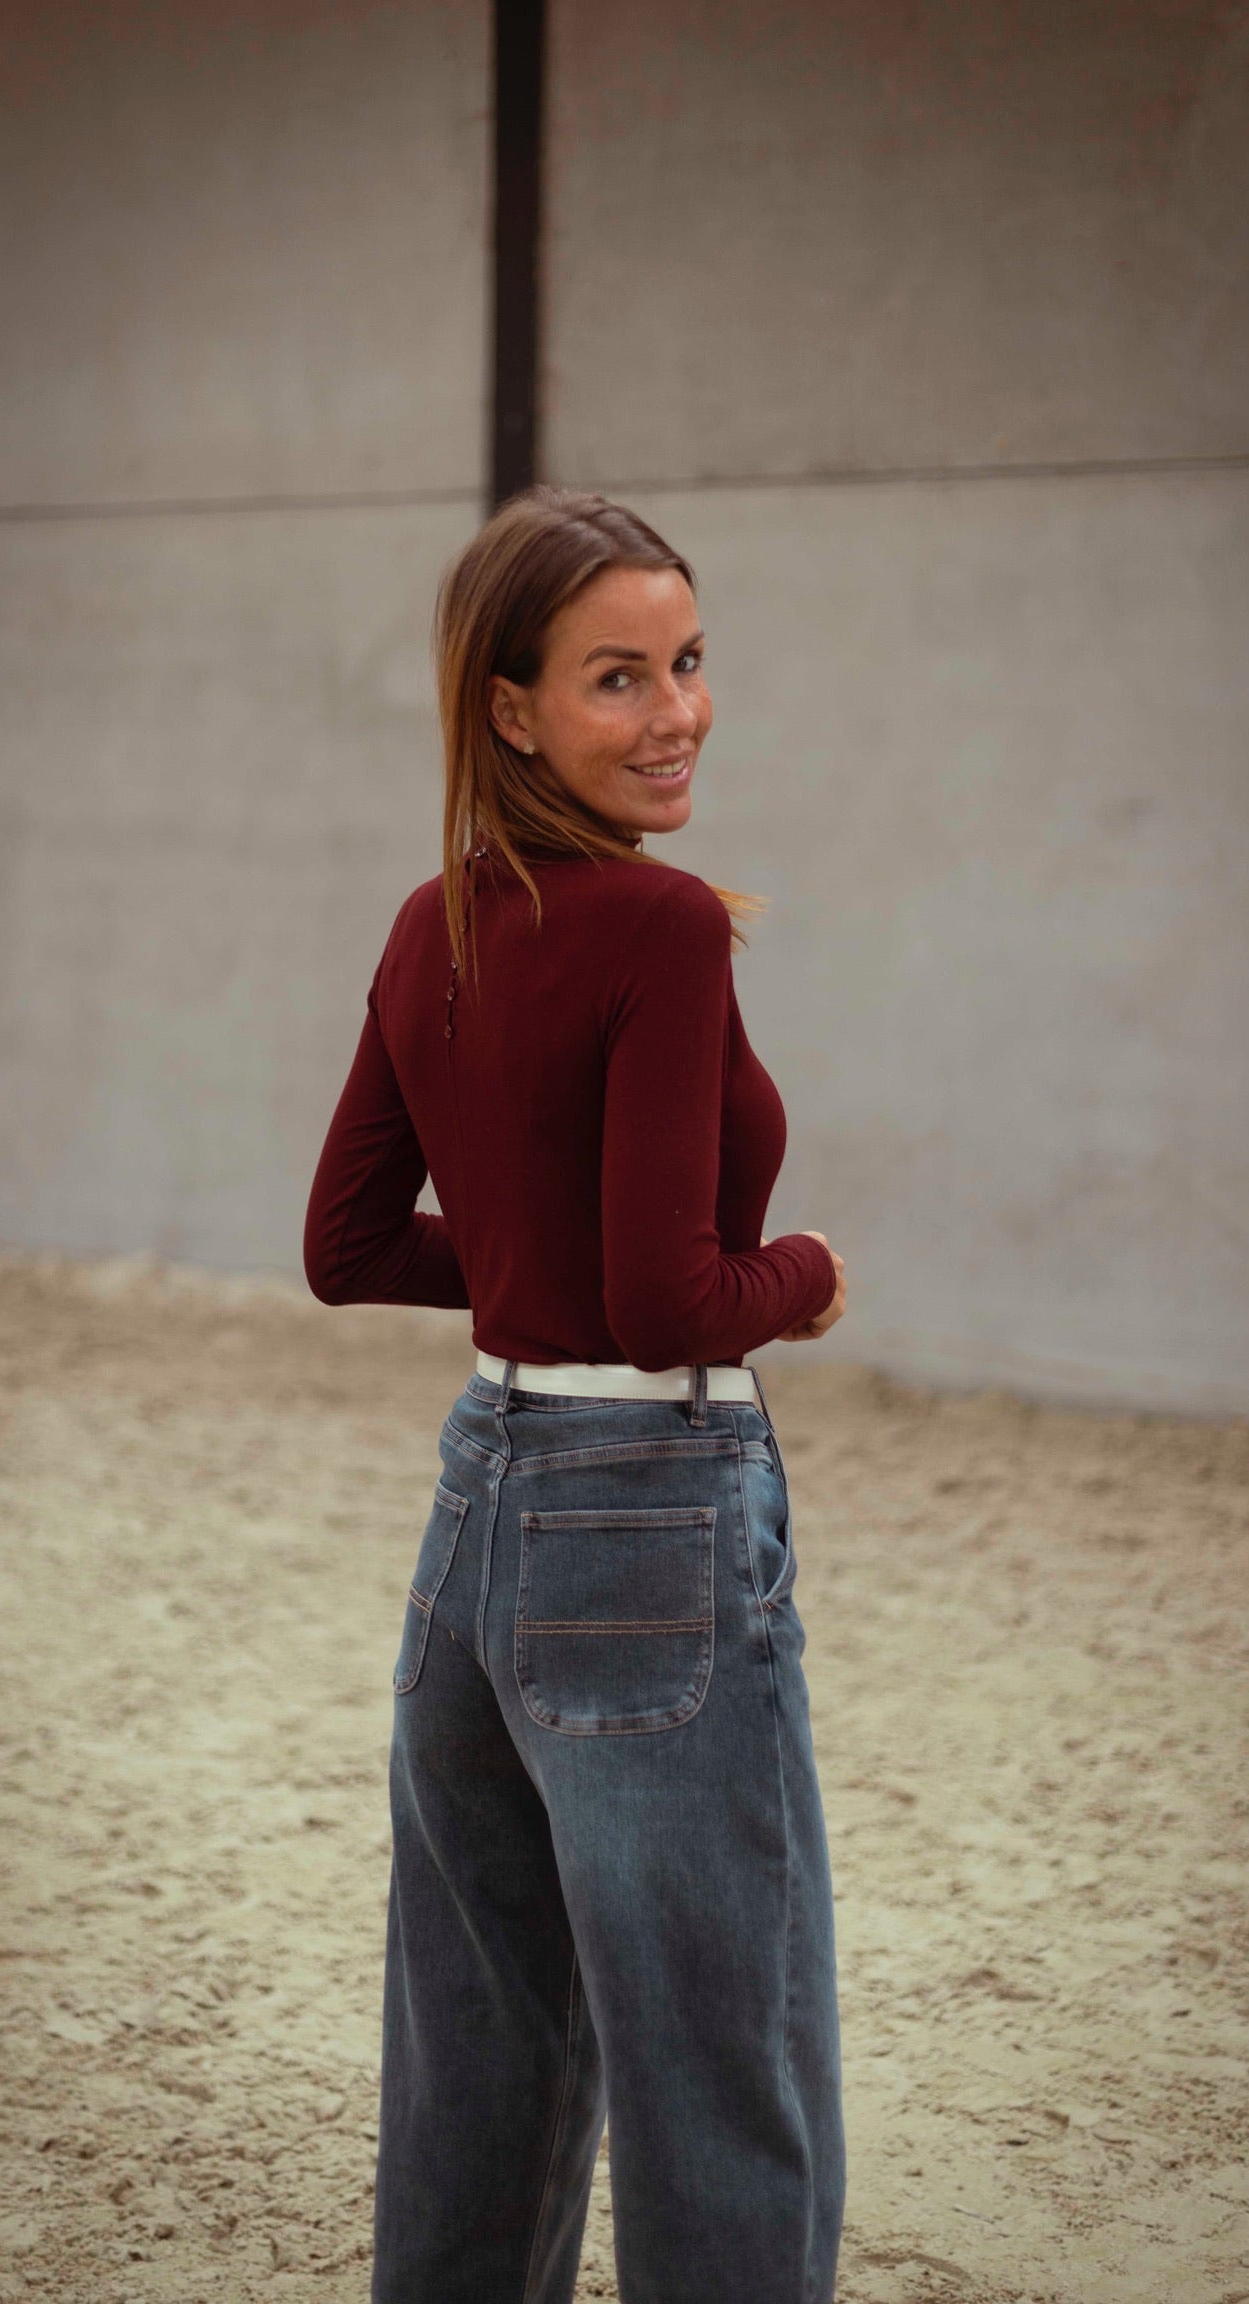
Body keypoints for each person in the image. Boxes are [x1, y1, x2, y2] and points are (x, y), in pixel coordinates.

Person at [304, 486, 849, 2304]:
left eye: (689, 661)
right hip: (650, 1510)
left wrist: (528, 1269)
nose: (677, 712)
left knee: (484, 2060)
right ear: (512, 709)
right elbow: (668, 1297)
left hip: (478, 1506)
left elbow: (346, 1244)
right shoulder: (663, 927)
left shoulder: (430, 925)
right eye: (618, 678)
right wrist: (806, 1278)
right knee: (723, 2062)